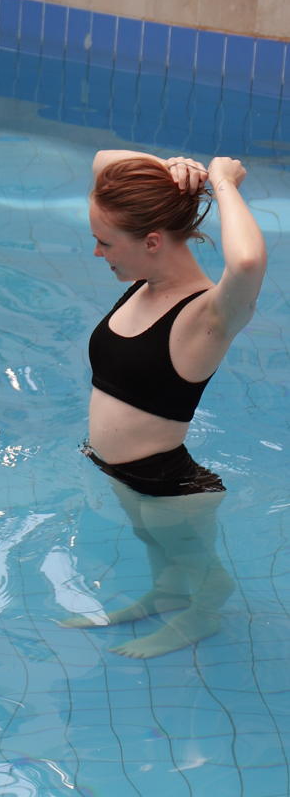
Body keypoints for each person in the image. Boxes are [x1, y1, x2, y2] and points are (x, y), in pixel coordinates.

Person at [63, 149, 266, 657]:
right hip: (125, 474)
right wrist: (174, 170)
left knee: (194, 562)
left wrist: (221, 180)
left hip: (170, 488)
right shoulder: (143, 282)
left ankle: (205, 613)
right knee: (155, 545)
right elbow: (103, 160)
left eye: (105, 242)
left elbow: (246, 261)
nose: (97, 252)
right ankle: (169, 594)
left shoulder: (208, 316)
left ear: (152, 241)